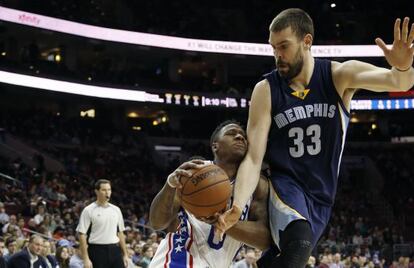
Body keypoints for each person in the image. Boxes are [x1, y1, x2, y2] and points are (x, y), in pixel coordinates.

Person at [215, 8, 414, 268]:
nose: (277, 56)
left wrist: (403, 65)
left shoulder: (338, 76)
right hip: (285, 184)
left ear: (307, 41)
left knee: (283, 258)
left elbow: (399, 82)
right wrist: (237, 206)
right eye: (273, 48)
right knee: (298, 244)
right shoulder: (266, 90)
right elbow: (254, 157)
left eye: (284, 46)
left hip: (321, 194)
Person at [148, 120, 270, 268]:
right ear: (215, 146)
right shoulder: (193, 172)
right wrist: (170, 185)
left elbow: (264, 240)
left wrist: (224, 222)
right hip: (179, 258)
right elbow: (157, 223)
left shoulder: (257, 185)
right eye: (232, 133)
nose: (240, 137)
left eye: (243, 136)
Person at [76, 179, 128, 268]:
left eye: (109, 189)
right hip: (97, 250)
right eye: (104, 190)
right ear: (96, 191)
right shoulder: (88, 210)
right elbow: (82, 234)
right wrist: (85, 258)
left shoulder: (116, 210)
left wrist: (125, 255)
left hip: (115, 250)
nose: (107, 192)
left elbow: (120, 233)